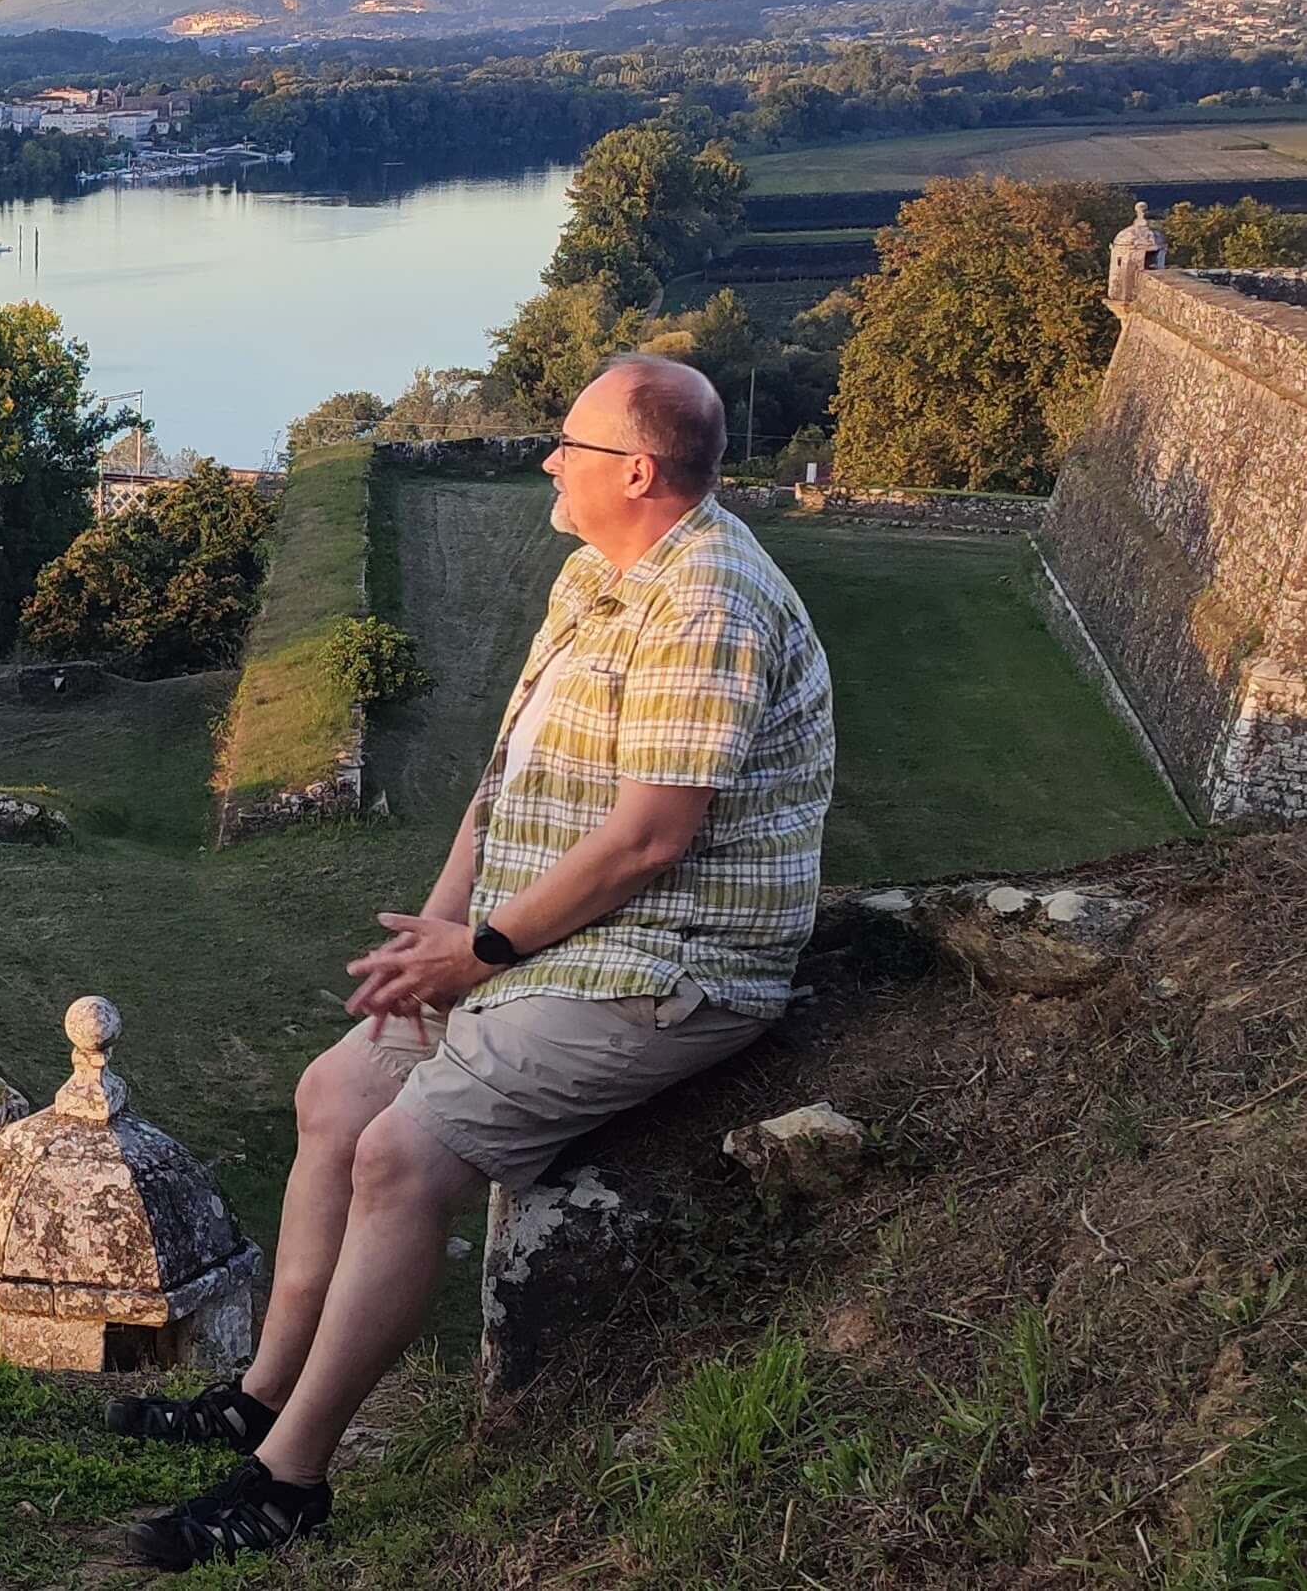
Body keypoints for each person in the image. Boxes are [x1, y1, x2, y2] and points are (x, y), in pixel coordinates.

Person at [118, 354, 837, 1570]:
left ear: (641, 472)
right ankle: (259, 1392)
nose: (549, 462)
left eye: (572, 446)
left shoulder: (704, 602)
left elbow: (655, 837)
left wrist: (485, 950)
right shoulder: (596, 575)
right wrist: (435, 942)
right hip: (548, 946)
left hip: (669, 963)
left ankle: (290, 1479)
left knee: (404, 1155)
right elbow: (507, 782)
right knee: (336, 1094)